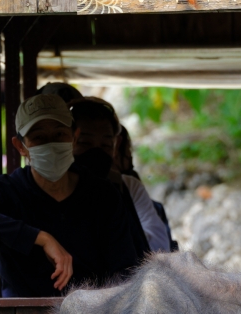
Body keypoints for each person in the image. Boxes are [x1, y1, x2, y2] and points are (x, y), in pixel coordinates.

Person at [0, 88, 150, 297]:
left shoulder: (102, 195)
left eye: (59, 134)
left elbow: (124, 271)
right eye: (39, 137)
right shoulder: (7, 190)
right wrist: (42, 238)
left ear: (73, 137)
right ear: (21, 147)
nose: (51, 144)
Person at [72, 96, 173, 255]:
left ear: (116, 145)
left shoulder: (127, 187)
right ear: (68, 141)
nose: (96, 153)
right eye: (84, 143)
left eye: (105, 145)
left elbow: (160, 247)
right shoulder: (55, 188)